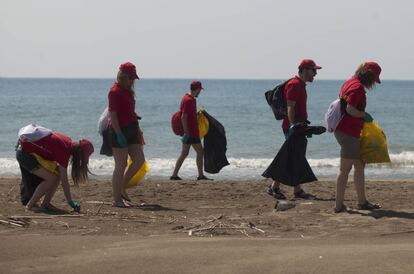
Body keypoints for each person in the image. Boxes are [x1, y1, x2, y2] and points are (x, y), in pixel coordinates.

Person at [267, 59, 321, 199]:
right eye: (313, 70)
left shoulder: (301, 85)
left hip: (298, 126)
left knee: (295, 157)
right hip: (292, 128)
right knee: (291, 157)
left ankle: (295, 190)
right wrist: (293, 126)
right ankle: (275, 188)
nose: (315, 73)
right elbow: (290, 106)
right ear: (304, 70)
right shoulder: (294, 84)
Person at [334, 62, 382, 213]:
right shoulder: (357, 88)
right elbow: (350, 109)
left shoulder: (349, 82)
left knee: (359, 166)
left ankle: (362, 202)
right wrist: (364, 115)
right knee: (345, 169)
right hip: (348, 132)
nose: (373, 83)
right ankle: (338, 206)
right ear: (369, 75)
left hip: (346, 131)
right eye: (374, 79)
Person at [16, 132, 94, 212]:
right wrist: (70, 201)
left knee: (57, 175)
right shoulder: (65, 150)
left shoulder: (67, 142)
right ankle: (30, 206)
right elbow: (64, 181)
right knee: (51, 178)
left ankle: (45, 204)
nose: (80, 160)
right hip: (24, 154)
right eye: (82, 158)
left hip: (27, 152)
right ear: (79, 152)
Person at [108, 62, 145, 207]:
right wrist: (119, 134)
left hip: (132, 129)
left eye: (133, 78)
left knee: (139, 160)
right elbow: (113, 114)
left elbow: (127, 109)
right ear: (123, 76)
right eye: (130, 78)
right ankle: (116, 199)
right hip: (119, 130)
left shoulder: (128, 90)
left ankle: (122, 187)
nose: (132, 81)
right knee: (121, 164)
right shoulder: (114, 91)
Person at [171, 81, 212, 181]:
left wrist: (197, 115)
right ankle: (200, 175)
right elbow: (183, 117)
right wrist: (187, 132)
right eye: (199, 90)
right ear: (197, 89)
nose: (200, 92)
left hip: (190, 132)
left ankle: (174, 175)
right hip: (191, 132)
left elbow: (188, 115)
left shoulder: (188, 98)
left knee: (184, 153)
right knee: (200, 152)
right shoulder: (189, 100)